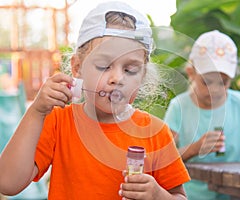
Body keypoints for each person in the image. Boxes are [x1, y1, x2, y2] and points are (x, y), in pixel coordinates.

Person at [0, 1, 190, 199]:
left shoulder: (155, 132)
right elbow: (7, 183)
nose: (117, 78)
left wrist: (158, 195)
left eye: (130, 69)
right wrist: (36, 112)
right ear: (77, 68)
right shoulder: (58, 123)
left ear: (141, 78)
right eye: (103, 65)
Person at [163, 30, 240, 200]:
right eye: (206, 81)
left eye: (223, 82)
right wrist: (194, 149)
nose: (215, 90)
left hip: (233, 193)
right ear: (190, 73)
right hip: (190, 195)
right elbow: (164, 158)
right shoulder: (179, 107)